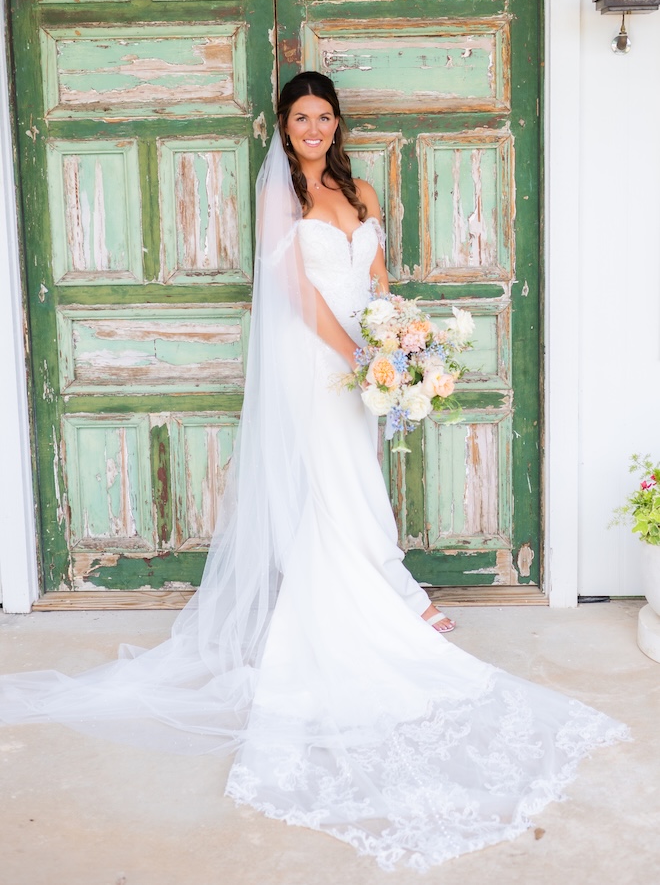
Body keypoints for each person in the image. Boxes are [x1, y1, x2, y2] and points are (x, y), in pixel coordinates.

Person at [0, 72, 628, 872]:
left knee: (358, 475)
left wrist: (399, 347)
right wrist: (360, 358)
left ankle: (392, 589)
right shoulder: (283, 202)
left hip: (367, 356)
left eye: (324, 117)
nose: (314, 128)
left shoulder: (360, 189)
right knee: (333, 478)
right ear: (284, 125)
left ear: (338, 123)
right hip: (316, 359)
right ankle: (389, 602)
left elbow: (378, 281)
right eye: (301, 118)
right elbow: (296, 293)